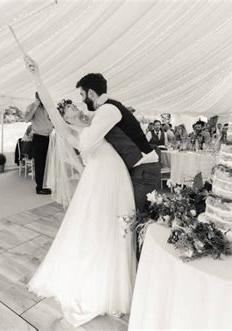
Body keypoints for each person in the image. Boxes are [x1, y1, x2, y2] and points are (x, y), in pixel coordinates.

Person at [24, 57, 148, 326]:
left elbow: (109, 128)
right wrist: (38, 78)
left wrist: (82, 119)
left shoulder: (96, 120)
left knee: (113, 228)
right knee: (94, 228)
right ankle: (99, 281)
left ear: (89, 96)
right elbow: (54, 114)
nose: (72, 107)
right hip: (98, 178)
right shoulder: (72, 134)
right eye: (68, 107)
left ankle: (113, 284)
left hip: (115, 176)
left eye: (78, 100)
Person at [44, 99, 85, 209]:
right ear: (64, 118)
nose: (72, 106)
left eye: (72, 104)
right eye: (68, 107)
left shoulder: (81, 124)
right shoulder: (67, 133)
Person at [25, 91, 53, 194]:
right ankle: (39, 188)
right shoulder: (32, 106)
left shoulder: (47, 107)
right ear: (37, 97)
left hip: (49, 138)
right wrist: (35, 107)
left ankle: (46, 184)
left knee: (48, 163)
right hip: (39, 138)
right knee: (40, 164)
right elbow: (26, 119)